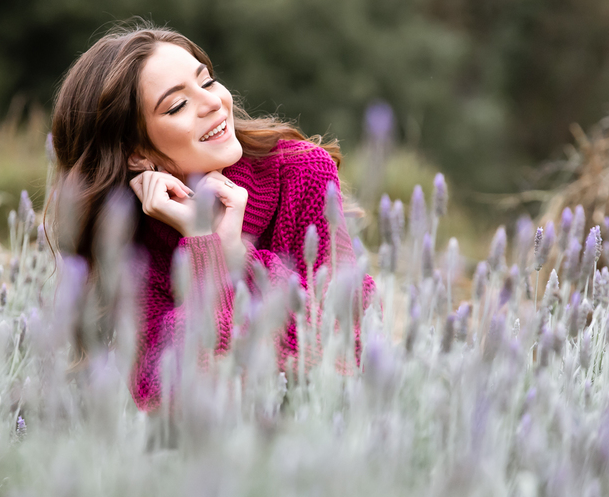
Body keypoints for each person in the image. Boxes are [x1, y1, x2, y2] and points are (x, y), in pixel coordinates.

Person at [50, 23, 374, 410]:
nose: (212, 102)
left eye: (207, 82)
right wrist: (206, 248)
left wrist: (238, 255)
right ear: (136, 154)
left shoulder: (303, 172)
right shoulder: (129, 247)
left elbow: (347, 346)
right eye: (177, 105)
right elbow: (170, 401)